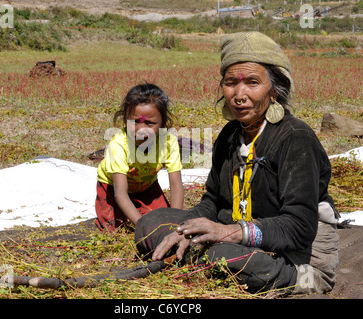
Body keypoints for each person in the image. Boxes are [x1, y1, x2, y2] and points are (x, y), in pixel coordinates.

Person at [135, 32, 340, 294]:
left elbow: (299, 227)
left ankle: (293, 277)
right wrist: (183, 230)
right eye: (231, 83)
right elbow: (213, 200)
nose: (239, 94)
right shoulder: (230, 136)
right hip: (237, 238)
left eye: (252, 82)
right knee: (150, 222)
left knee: (224, 257)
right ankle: (202, 252)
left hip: (297, 255)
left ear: (275, 89)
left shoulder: (295, 138)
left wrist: (228, 232)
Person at [95, 83, 184, 232]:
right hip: (113, 187)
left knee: (163, 220)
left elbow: (176, 186)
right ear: (125, 120)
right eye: (135, 122)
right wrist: (144, 227)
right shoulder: (118, 145)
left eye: (150, 123)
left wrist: (176, 221)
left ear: (163, 124)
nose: (141, 129)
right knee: (116, 227)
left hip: (146, 187)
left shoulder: (168, 143)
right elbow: (120, 193)